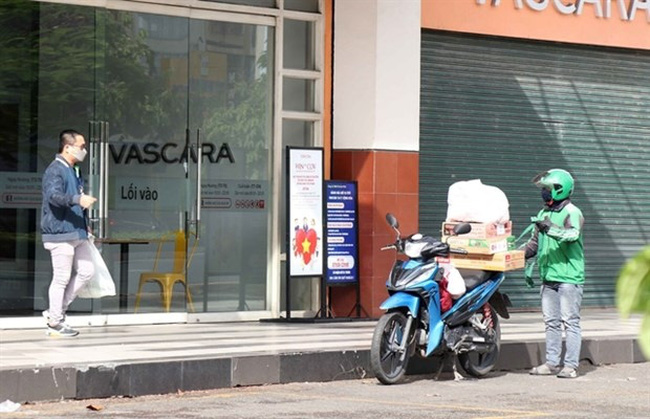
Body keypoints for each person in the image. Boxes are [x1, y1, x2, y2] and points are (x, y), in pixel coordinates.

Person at [525, 169, 585, 378]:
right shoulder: (544, 214)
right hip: (548, 276)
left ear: (561, 190)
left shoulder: (572, 212)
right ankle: (551, 363)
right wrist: (516, 255)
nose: (544, 193)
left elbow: (572, 234)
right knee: (551, 321)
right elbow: (534, 243)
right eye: (543, 189)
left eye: (548, 189)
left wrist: (549, 229)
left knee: (570, 321)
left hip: (568, 277)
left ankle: (570, 366)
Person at [41, 129, 97, 337]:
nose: (84, 150)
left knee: (87, 271)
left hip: (76, 231)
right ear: (67, 147)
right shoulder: (55, 169)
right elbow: (54, 196)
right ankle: (55, 322)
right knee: (61, 277)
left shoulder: (74, 170)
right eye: (81, 146)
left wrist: (85, 225)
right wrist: (76, 199)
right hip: (60, 232)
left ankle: (55, 312)